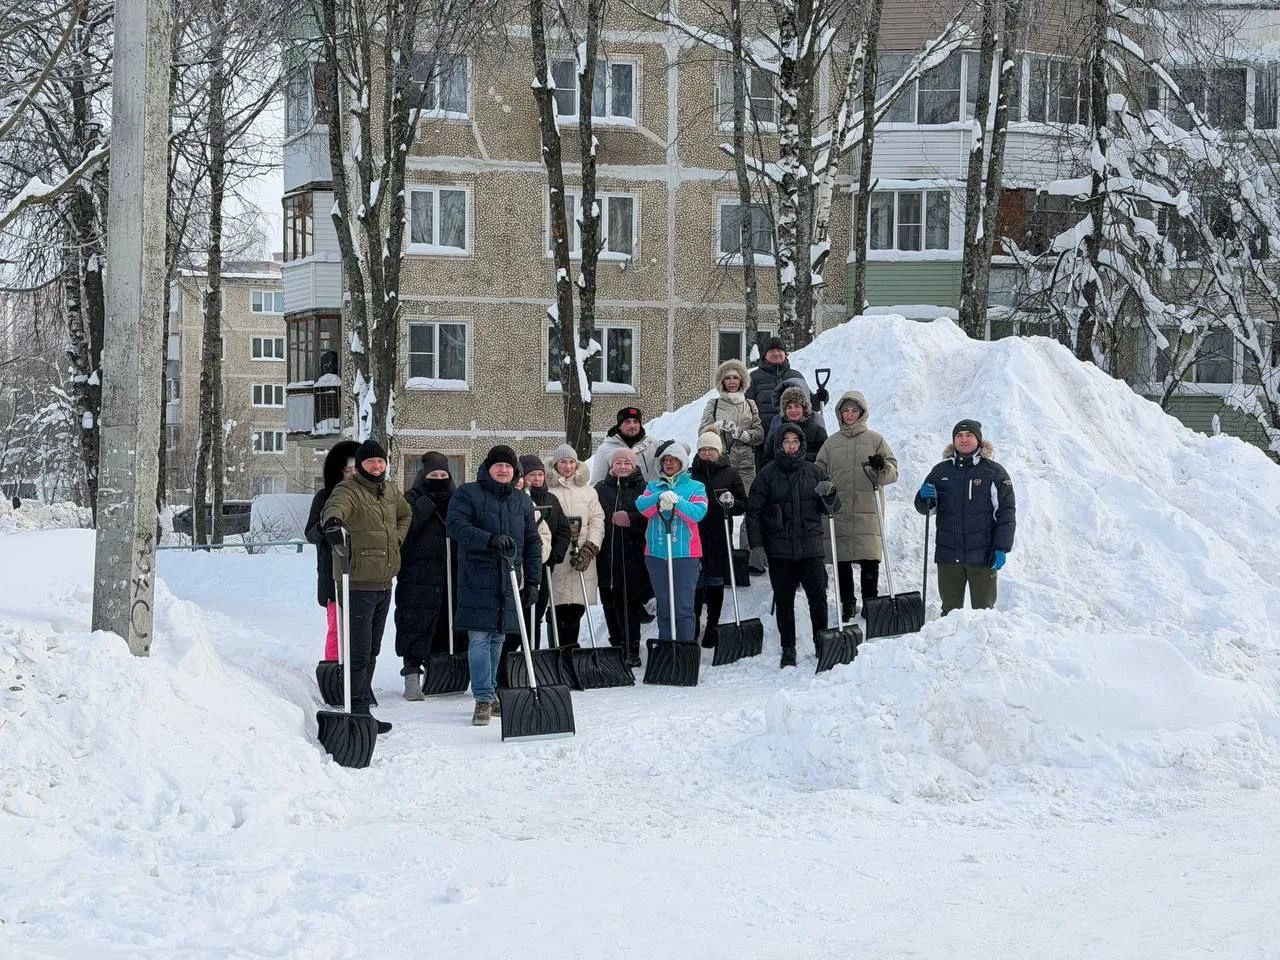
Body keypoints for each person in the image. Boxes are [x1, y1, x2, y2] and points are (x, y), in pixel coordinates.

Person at [446, 445, 542, 726]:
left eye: (508, 467)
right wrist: (489, 539)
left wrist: (534, 579)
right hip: (478, 577)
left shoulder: (522, 501)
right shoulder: (468, 493)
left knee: (498, 637)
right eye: (498, 466)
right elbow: (456, 525)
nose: (503, 470)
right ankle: (484, 698)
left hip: (510, 578)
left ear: (515, 472)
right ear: (488, 468)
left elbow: (532, 541)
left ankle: (490, 692)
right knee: (479, 638)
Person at [320, 438, 411, 732]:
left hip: (384, 581)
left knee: (371, 649)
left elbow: (405, 514)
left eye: (381, 461)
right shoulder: (348, 489)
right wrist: (333, 523)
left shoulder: (391, 491)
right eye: (372, 461)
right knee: (358, 650)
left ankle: (362, 702)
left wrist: (396, 539)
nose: (377, 465)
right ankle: (357, 708)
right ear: (360, 465)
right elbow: (334, 509)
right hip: (357, 581)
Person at [747, 424, 840, 668]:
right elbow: (753, 512)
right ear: (779, 445)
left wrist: (829, 494)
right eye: (786, 441)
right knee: (784, 600)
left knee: (818, 598)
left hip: (810, 547)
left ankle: (822, 643)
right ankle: (788, 647)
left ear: (801, 444)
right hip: (779, 549)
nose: (791, 445)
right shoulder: (767, 475)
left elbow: (832, 508)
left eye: (795, 441)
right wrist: (756, 547)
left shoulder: (815, 472)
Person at [914, 419, 1016, 615]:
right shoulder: (940, 471)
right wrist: (923, 497)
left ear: (978, 440)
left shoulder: (993, 472)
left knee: (984, 613)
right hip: (948, 555)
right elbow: (926, 509)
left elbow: (1006, 513)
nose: (964, 439)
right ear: (953, 441)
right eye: (959, 436)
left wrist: (1001, 547)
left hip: (983, 555)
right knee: (949, 613)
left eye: (969, 435)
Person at [815, 391, 899, 621]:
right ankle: (848, 603)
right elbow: (818, 470)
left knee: (869, 559)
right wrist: (823, 486)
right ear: (840, 413)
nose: (850, 414)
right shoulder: (831, 443)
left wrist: (881, 468)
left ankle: (871, 602)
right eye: (846, 410)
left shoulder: (875, 440)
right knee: (842, 560)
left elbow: (892, 472)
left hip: (867, 509)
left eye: (854, 410)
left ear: (862, 413)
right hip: (839, 508)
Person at [394, 453, 460, 700]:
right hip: (417, 576)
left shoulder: (456, 500)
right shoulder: (411, 500)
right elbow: (403, 533)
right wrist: (426, 505)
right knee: (415, 623)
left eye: (443, 476)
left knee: (446, 622)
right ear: (423, 477)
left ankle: (443, 672)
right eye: (434, 476)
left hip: (449, 575)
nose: (439, 479)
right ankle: (412, 674)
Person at [637, 440, 708, 643]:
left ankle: (684, 649)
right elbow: (643, 507)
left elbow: (697, 513)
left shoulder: (696, 487)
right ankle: (667, 649)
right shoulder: (653, 486)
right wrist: (660, 496)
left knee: (684, 606)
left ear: (682, 463)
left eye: (674, 460)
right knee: (664, 606)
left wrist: (677, 501)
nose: (669, 464)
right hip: (656, 554)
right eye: (666, 460)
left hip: (685, 554)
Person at [594, 446, 652, 667]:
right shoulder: (600, 489)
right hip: (607, 555)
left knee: (628, 603)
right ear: (611, 465)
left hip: (632, 555)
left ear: (634, 465)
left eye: (627, 463)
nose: (622, 466)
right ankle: (616, 645)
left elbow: (651, 516)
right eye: (618, 463)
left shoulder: (643, 488)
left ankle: (632, 648)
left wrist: (631, 518)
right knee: (609, 602)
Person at [689, 433, 747, 648]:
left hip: (719, 534)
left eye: (711, 449)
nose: (707, 453)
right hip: (694, 534)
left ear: (719, 451)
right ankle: (693, 623)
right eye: (703, 449)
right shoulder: (690, 474)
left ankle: (712, 626)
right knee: (695, 581)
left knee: (714, 581)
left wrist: (732, 503)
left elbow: (743, 504)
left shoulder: (730, 473)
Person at [545, 444, 605, 648]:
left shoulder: (588, 492)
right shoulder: (548, 489)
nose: (568, 466)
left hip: (582, 556)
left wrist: (590, 548)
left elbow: (597, 521)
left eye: (572, 462)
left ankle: (571, 649)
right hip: (557, 556)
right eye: (563, 462)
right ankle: (557, 649)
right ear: (555, 464)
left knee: (576, 608)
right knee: (556, 606)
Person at [304, 439, 359, 662]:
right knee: (337, 628)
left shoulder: (369, 498)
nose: (353, 474)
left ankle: (356, 677)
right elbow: (310, 534)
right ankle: (334, 670)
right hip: (333, 575)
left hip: (363, 575)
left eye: (357, 469)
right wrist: (326, 528)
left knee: (359, 633)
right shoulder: (324, 497)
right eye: (348, 469)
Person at [520, 454, 571, 648]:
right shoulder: (521, 499)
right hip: (523, 567)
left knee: (537, 612)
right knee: (522, 614)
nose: (537, 479)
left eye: (540, 474)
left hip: (545, 566)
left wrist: (556, 554)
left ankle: (534, 654)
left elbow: (564, 529)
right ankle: (517, 654)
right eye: (532, 474)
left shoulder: (552, 500)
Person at [762, 384, 828, 465]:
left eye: (797, 406)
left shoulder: (817, 431)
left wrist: (799, 458)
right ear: (784, 410)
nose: (793, 410)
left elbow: (825, 457)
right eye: (789, 407)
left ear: (804, 408)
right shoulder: (777, 433)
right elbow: (768, 459)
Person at [591, 407, 661, 482]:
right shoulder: (605, 450)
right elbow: (596, 482)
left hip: (651, 493)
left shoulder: (652, 444)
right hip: (618, 493)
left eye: (636, 422)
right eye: (627, 422)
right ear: (620, 425)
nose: (632, 426)